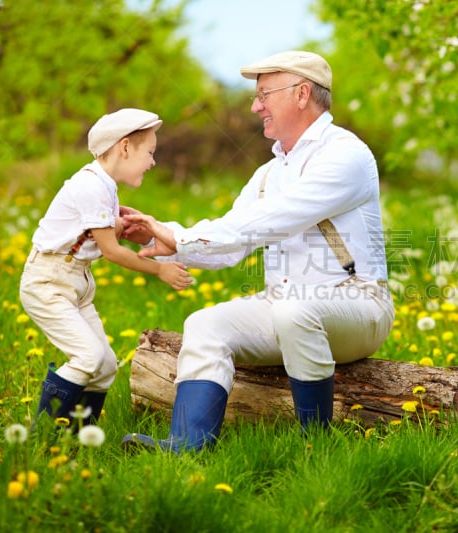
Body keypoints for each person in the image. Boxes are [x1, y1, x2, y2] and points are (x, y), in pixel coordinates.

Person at [121, 50, 395, 452]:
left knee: (294, 312)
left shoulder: (345, 155)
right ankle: (186, 446)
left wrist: (179, 239)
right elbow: (232, 243)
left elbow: (275, 219)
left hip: (357, 306)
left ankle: (316, 447)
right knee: (205, 324)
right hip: (283, 304)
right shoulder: (268, 173)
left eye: (264, 94)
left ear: (302, 94)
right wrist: (158, 239)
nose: (255, 106)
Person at [20, 108, 193, 431]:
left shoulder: (107, 188)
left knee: (105, 366)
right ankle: (43, 438)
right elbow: (112, 252)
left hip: (77, 282)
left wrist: (125, 224)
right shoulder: (90, 186)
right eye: (150, 153)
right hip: (48, 282)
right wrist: (159, 270)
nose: (153, 162)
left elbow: (106, 234)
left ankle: (77, 440)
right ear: (125, 148)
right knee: (87, 357)